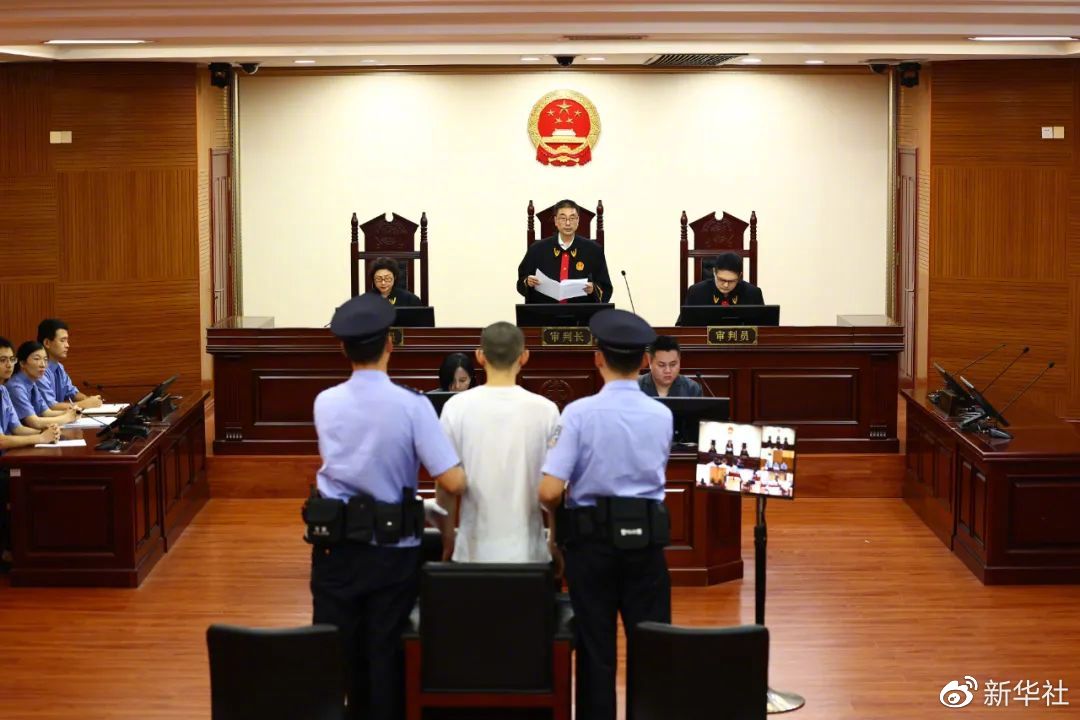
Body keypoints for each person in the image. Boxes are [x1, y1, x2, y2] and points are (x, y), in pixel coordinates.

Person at [308, 293, 467, 720]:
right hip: (392, 550)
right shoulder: (412, 406)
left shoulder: (325, 402)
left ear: (343, 349)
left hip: (336, 548)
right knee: (385, 657)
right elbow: (452, 480)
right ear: (390, 344)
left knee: (336, 656)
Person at [539, 308, 673, 720]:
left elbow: (549, 491)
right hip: (646, 543)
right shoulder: (662, 414)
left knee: (595, 649)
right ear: (645, 361)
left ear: (597, 358)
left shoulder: (578, 414)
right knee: (652, 647)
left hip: (591, 544)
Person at [438, 322, 560, 563]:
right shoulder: (546, 410)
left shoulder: (455, 407)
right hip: (529, 552)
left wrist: (448, 539)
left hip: (473, 551)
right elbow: (554, 491)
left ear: (480, 356)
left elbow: (445, 486)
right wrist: (553, 541)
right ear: (524, 356)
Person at [0, 337, 62, 572]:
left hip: (6, 459)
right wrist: (39, 438)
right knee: (31, 482)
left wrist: (46, 433)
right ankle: (18, 551)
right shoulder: (11, 387)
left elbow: (16, 428)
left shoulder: (2, 390)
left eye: (11, 359)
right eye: (2, 360)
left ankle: (40, 548)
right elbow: (1, 440)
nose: (9, 365)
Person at [516, 199, 613, 304]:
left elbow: (606, 288)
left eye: (572, 218)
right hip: (545, 311)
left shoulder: (594, 250)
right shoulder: (536, 249)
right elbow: (521, 282)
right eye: (563, 218)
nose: (568, 223)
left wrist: (593, 289)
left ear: (578, 220)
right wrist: (528, 281)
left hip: (581, 312)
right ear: (556, 221)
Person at [6, 342, 77, 430]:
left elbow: (46, 412)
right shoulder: (15, 387)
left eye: (45, 360)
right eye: (37, 359)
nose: (43, 365)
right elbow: (35, 422)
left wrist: (70, 412)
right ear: (22, 363)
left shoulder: (32, 383)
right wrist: (67, 418)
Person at [37, 319, 103, 410]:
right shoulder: (38, 370)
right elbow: (51, 406)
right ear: (47, 343)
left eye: (67, 340)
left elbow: (72, 392)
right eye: (62, 341)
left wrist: (89, 400)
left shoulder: (59, 367)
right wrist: (84, 404)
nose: (67, 345)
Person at [684, 251, 764, 306]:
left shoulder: (753, 294)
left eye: (731, 281)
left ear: (740, 276)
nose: (726, 285)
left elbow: (764, 324)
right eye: (721, 279)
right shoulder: (695, 292)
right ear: (714, 272)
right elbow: (682, 324)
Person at [637, 335, 702, 398]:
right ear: (650, 362)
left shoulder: (692, 389)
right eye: (661, 365)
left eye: (673, 364)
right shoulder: (636, 386)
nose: (668, 370)